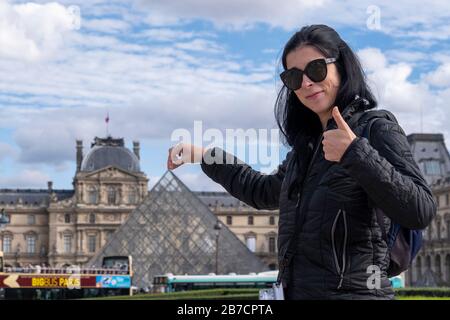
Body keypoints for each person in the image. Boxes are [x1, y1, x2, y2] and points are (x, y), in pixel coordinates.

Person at [167, 24, 436, 300]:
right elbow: (262, 191)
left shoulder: (375, 128)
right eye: (294, 77)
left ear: (341, 66)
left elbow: (421, 210)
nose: (306, 83)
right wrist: (204, 155)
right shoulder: (306, 148)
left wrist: (355, 152)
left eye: (316, 69)